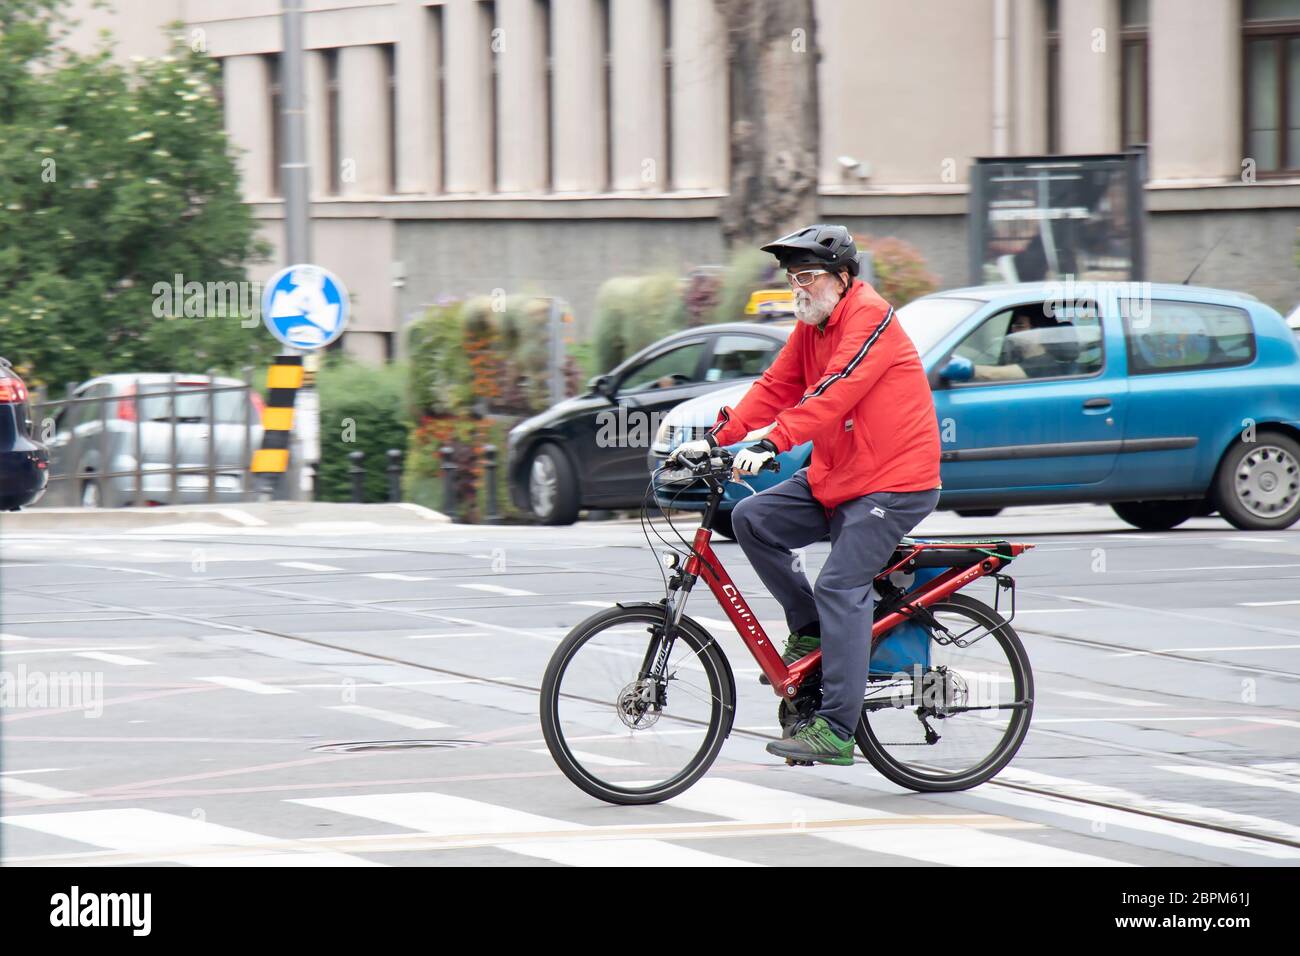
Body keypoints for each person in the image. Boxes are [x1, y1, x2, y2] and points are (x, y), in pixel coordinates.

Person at [668, 224, 942, 766]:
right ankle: (811, 628)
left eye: (810, 277)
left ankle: (838, 729)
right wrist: (712, 441)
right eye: (794, 278)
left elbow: (834, 392)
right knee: (752, 518)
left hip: (894, 480)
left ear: (843, 279)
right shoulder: (811, 328)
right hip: (837, 475)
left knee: (841, 584)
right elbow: (776, 387)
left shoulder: (870, 318)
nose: (799, 288)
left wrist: (773, 440)